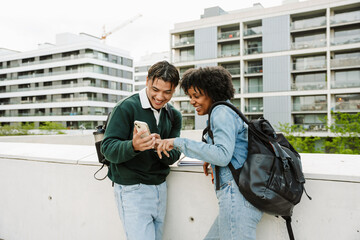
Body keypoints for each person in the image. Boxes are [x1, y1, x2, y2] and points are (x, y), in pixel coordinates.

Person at [156, 66, 263, 240]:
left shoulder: (220, 112)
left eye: (196, 96)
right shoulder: (226, 110)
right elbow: (229, 151)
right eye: (190, 96)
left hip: (236, 198)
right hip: (239, 196)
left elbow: (222, 155)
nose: (192, 101)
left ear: (213, 93)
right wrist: (209, 158)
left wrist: (177, 142)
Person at [101, 60, 182, 240]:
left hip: (160, 187)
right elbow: (107, 148)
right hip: (132, 189)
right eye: (155, 89)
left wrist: (161, 146)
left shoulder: (173, 115)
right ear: (147, 81)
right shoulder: (126, 107)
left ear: (174, 89)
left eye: (167, 92)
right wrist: (133, 146)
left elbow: (175, 155)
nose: (160, 97)